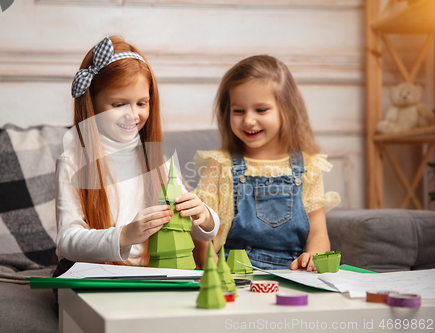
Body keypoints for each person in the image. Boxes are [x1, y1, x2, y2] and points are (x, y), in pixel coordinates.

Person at [54, 36, 219, 275]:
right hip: (91, 274)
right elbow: (68, 241)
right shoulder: (73, 161)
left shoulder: (159, 158)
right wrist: (125, 235)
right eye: (119, 104)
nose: (132, 115)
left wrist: (203, 215)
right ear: (92, 102)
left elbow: (190, 227)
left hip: (147, 273)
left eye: (142, 103)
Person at [194, 55, 340, 271]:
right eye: (238, 111)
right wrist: (214, 273)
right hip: (233, 275)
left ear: (286, 110)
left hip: (292, 274)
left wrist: (312, 257)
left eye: (261, 110)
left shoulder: (308, 166)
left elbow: (318, 233)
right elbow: (200, 233)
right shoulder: (220, 164)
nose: (248, 120)